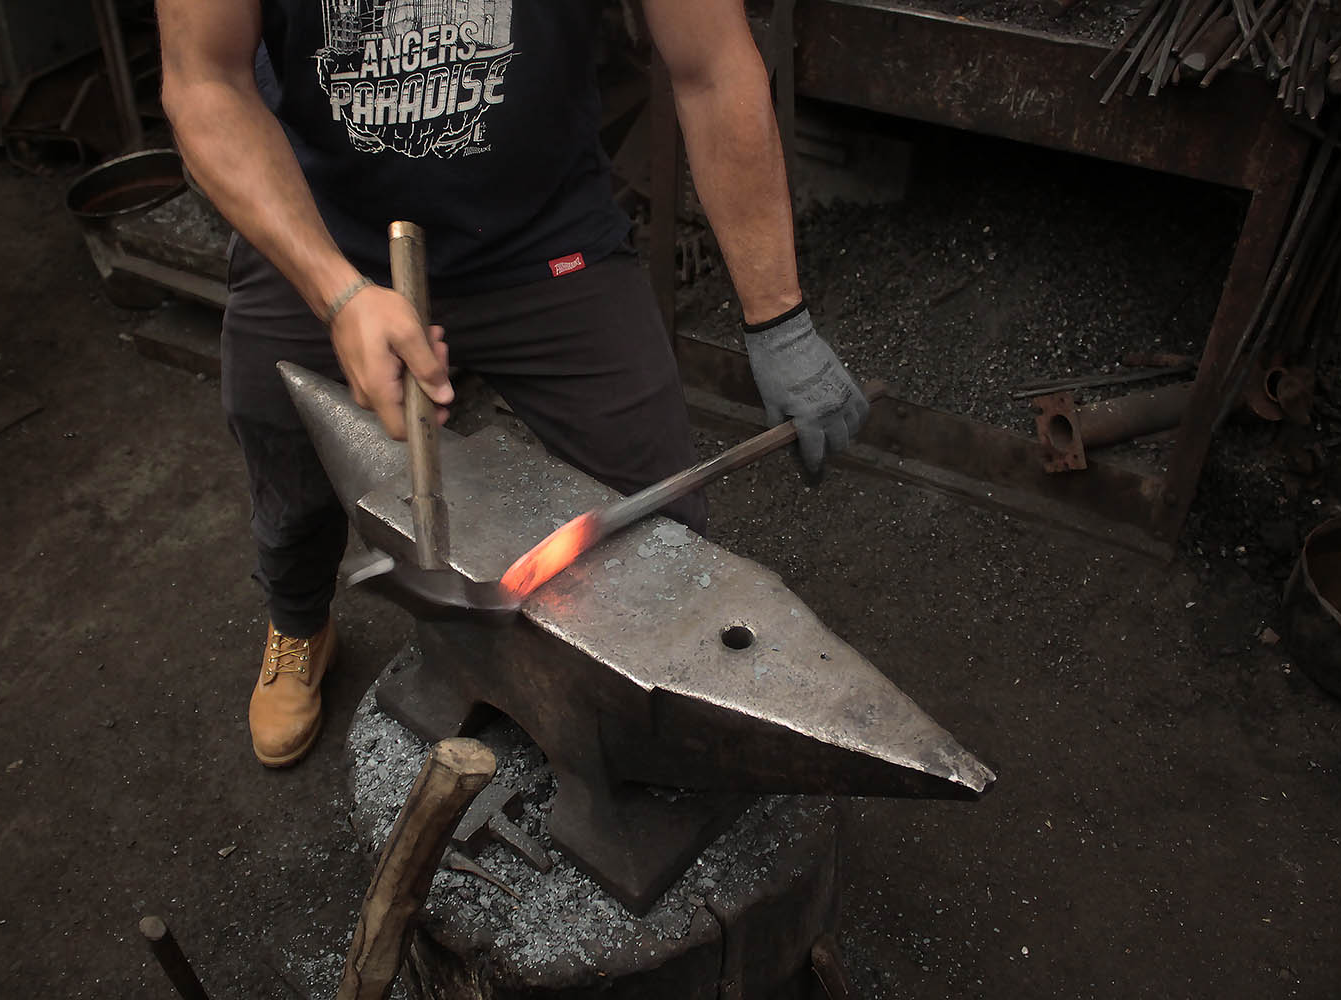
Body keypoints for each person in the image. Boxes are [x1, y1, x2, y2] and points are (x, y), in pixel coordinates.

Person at [156, 0, 870, 768]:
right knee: (279, 440)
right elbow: (204, 84)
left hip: (543, 235)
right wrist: (336, 293)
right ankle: (299, 621)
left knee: (661, 528)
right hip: (326, 230)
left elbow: (712, 66)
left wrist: (779, 320)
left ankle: (644, 689)